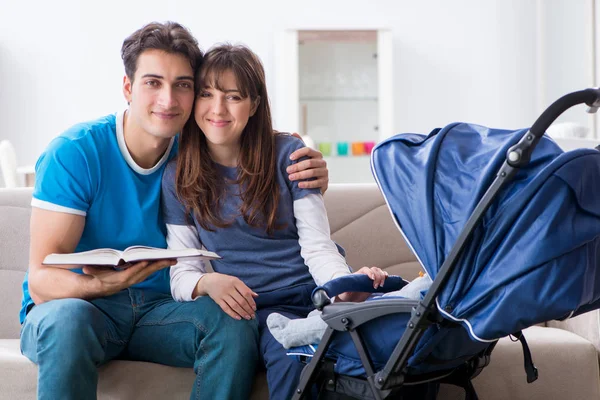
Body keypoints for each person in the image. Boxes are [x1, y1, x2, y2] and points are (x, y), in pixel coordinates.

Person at [19, 22, 329, 400]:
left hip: (161, 313)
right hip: (81, 310)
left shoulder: (199, 147)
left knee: (233, 323)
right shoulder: (75, 153)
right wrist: (101, 286)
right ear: (128, 88)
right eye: (153, 83)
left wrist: (309, 171)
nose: (168, 100)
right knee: (67, 320)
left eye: (182, 85)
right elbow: (41, 280)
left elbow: (262, 152)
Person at [161, 43, 387, 399]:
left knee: (380, 342)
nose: (217, 109)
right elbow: (182, 271)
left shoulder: (289, 155)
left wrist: (341, 284)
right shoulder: (178, 176)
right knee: (290, 361)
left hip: (312, 294)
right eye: (206, 94)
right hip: (257, 309)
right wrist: (208, 282)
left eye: (233, 97)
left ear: (253, 104)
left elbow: (317, 245)